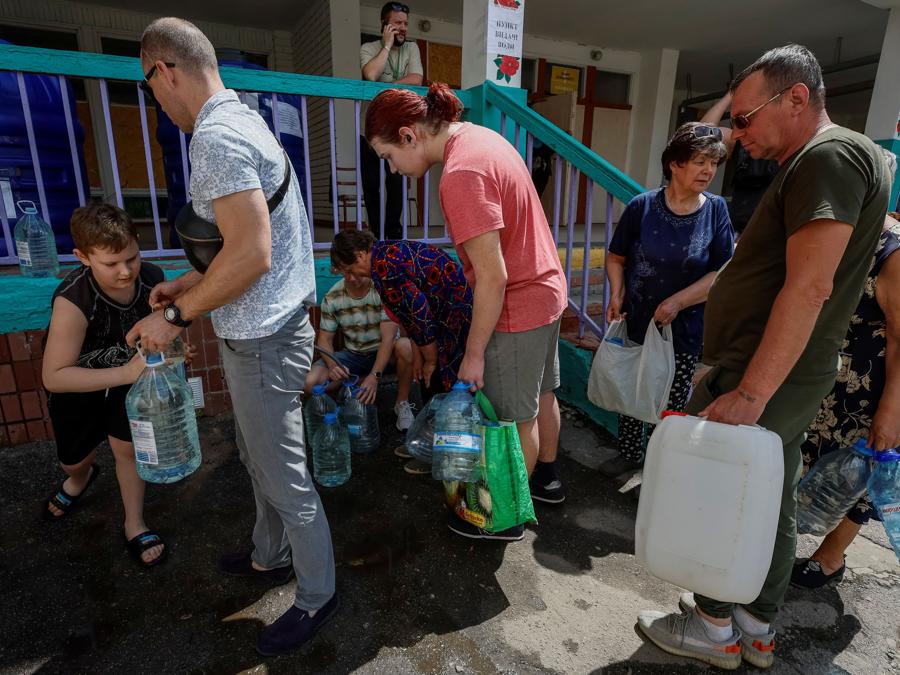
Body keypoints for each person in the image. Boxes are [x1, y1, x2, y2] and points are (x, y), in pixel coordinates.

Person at [637, 44, 890, 671]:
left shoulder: (829, 158)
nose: (735, 135)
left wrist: (749, 392)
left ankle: (713, 627)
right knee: (766, 496)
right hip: (784, 367)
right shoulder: (840, 158)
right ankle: (755, 627)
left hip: (764, 369)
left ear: (797, 98)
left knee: (723, 492)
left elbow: (810, 286)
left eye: (745, 118)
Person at [128, 17, 337, 656]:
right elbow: (243, 242)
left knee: (285, 474)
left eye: (149, 85)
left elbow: (250, 256)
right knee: (260, 460)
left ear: (166, 70)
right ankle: (268, 556)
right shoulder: (243, 120)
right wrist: (186, 291)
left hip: (266, 338)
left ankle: (317, 594)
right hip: (273, 328)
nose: (156, 101)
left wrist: (172, 318)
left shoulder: (215, 137)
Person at [365, 81, 569, 537]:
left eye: (388, 157)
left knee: (517, 420)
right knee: (542, 395)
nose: (394, 169)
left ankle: (505, 518)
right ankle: (547, 480)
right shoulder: (482, 138)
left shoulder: (460, 173)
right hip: (548, 289)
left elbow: (492, 277)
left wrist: (474, 354)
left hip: (518, 305)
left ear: (409, 135)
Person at [41, 203, 178, 568]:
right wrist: (122, 373)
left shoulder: (153, 277)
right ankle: (79, 478)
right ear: (82, 257)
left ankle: (134, 523)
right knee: (73, 460)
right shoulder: (73, 300)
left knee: (128, 450)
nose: (125, 271)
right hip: (78, 388)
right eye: (111, 263)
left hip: (127, 384)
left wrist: (175, 351)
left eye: (132, 258)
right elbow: (54, 375)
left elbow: (166, 327)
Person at [601, 122, 733, 477]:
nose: (708, 171)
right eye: (700, 162)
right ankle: (630, 455)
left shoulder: (716, 210)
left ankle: (660, 468)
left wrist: (679, 301)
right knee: (633, 392)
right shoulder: (642, 206)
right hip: (638, 315)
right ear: (675, 164)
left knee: (672, 401)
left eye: (713, 163)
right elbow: (616, 257)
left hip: (685, 326)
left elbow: (721, 272)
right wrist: (616, 291)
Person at [792, 205, 900, 589]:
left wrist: (890, 411)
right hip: (828, 383)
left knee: (859, 474)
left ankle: (830, 557)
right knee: (816, 470)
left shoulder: (892, 250)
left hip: (869, 392)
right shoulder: (842, 232)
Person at [329, 229, 474, 474]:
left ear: (361, 253)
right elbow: (410, 315)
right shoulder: (383, 258)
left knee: (440, 381)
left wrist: (429, 359)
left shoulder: (385, 267)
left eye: (349, 268)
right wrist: (418, 354)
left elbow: (420, 314)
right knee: (431, 382)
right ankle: (429, 444)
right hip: (440, 314)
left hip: (451, 314)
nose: (350, 275)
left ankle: (440, 454)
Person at [305, 238, 416, 432]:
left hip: (387, 351)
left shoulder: (381, 288)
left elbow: (389, 338)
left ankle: (402, 402)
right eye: (344, 272)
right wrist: (333, 366)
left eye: (352, 269)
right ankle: (343, 404)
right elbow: (324, 338)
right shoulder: (333, 296)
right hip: (354, 355)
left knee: (405, 346)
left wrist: (375, 375)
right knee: (311, 381)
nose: (351, 277)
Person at [360, 2, 423, 239]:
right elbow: (371, 74)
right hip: (370, 131)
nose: (403, 28)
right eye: (397, 23)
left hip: (397, 129)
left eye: (405, 23)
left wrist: (386, 89)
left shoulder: (412, 49)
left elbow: (417, 78)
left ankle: (394, 236)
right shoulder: (369, 47)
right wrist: (387, 45)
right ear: (385, 25)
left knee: (396, 183)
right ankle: (376, 234)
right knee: (372, 184)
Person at [700, 92, 780, 236]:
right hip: (736, 230)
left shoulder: (787, 146)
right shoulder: (740, 141)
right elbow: (703, 135)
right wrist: (731, 94)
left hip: (768, 235)